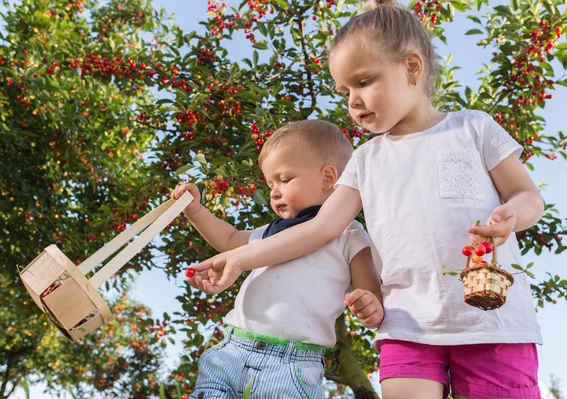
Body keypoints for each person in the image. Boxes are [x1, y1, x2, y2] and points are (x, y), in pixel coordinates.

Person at [191, 2, 546, 398]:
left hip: (494, 320)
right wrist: (239, 258)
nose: (353, 101)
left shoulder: (473, 129)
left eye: (363, 82)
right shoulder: (365, 160)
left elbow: (527, 195)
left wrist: (512, 215)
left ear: (412, 68)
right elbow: (321, 228)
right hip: (407, 326)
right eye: (345, 91)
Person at [172, 119, 383, 399]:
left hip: (291, 365)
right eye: (270, 183)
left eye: (284, 179)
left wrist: (370, 306)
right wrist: (195, 211)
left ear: (327, 178)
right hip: (233, 350)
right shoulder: (269, 233)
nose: (273, 191)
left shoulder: (348, 233)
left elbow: (369, 289)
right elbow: (229, 239)